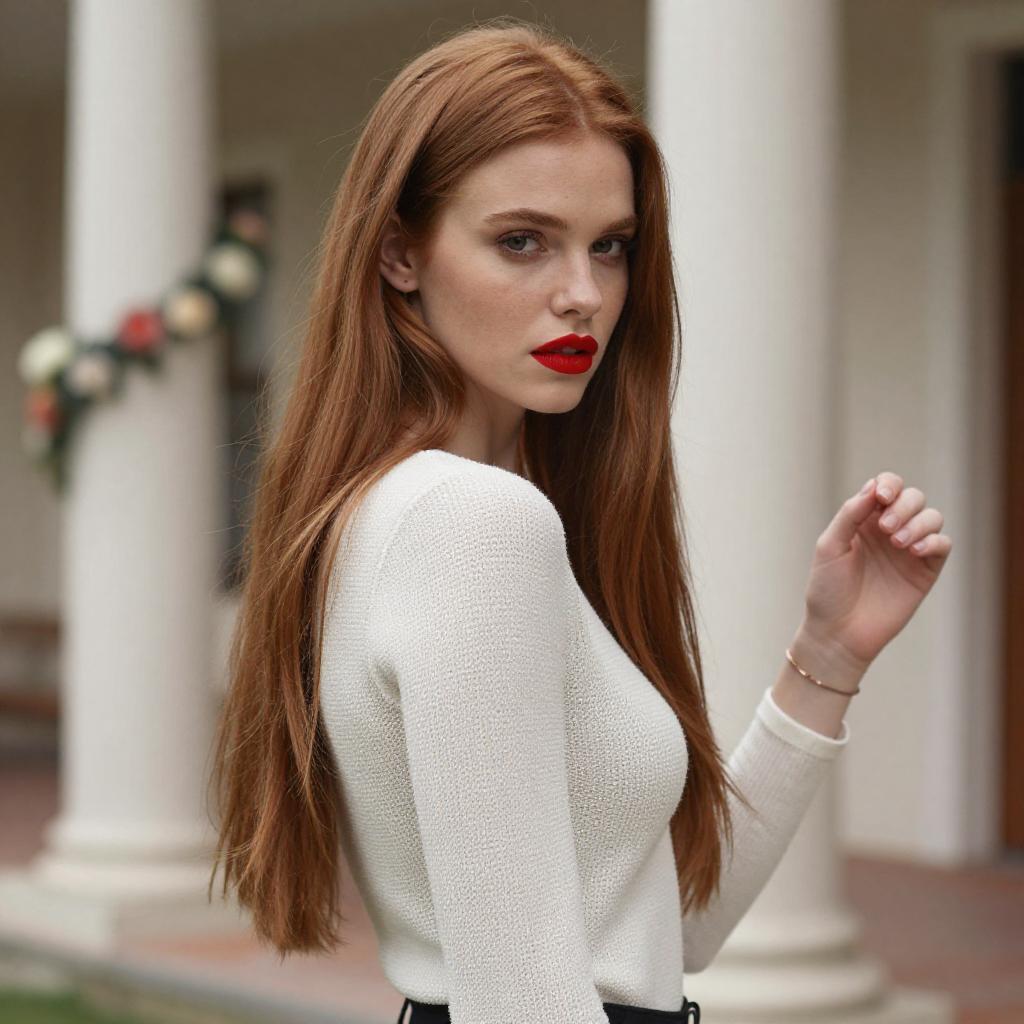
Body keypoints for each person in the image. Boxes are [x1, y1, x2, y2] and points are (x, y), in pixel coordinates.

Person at [206, 18, 952, 1024]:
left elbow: (665, 929)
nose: (583, 294)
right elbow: (524, 1002)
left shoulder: (413, 510)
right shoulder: (473, 524)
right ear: (399, 254)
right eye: (522, 241)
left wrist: (828, 655)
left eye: (611, 247)